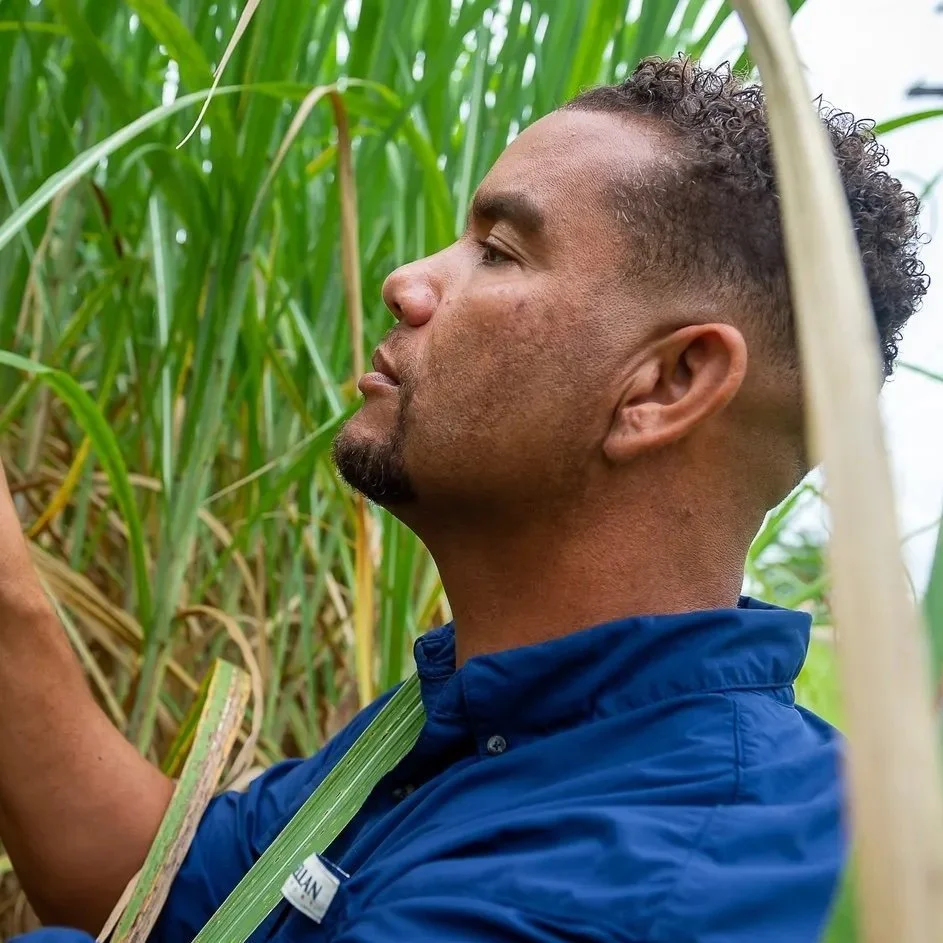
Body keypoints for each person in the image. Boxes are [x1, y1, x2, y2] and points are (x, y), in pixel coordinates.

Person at [0, 56, 927, 943]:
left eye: (498, 249)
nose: (406, 283)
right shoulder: (497, 716)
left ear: (669, 382)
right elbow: (175, 895)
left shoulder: (635, 883)